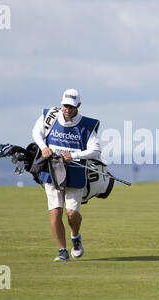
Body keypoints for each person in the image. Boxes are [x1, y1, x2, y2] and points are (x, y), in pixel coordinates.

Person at [32, 88, 101, 262]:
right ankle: (62, 251)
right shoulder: (50, 115)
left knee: (71, 213)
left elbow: (95, 150)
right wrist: (43, 147)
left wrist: (74, 155)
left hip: (76, 173)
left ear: (78, 105)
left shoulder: (87, 125)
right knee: (56, 211)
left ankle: (75, 237)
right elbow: (36, 132)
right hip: (52, 171)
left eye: (71, 106)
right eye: (65, 106)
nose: (67, 109)